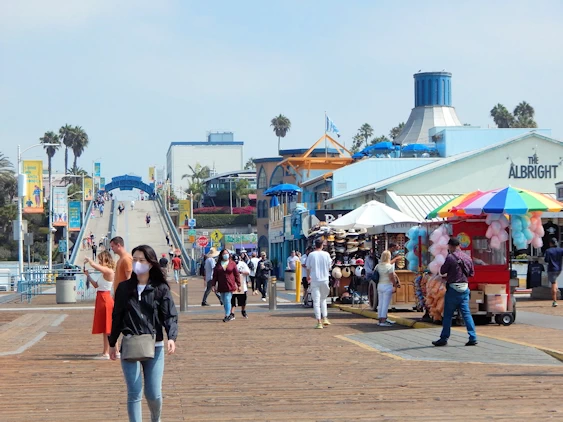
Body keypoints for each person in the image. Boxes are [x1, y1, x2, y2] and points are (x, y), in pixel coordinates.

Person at [109, 244, 178, 422]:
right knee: (134, 391)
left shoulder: (160, 288)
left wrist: (171, 337)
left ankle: (156, 418)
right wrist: (112, 342)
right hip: (130, 343)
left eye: (142, 260)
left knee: (153, 393)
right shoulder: (124, 288)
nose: (137, 263)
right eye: (135, 260)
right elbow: (117, 316)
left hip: (155, 344)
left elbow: (169, 314)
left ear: (151, 263)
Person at [432, 238, 477, 347]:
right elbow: (471, 273)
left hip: (452, 289)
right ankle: (473, 336)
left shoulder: (450, 258)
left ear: (451, 246)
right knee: (466, 314)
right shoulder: (467, 257)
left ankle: (444, 338)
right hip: (465, 288)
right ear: (459, 245)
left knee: (448, 315)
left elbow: (442, 271)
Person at [84, 251, 115, 359]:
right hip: (101, 298)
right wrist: (88, 276)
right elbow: (96, 285)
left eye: (101, 260)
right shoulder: (104, 273)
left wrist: (89, 260)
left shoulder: (109, 271)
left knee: (107, 327)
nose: (99, 262)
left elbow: (94, 266)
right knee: (106, 327)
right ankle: (113, 351)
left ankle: (106, 352)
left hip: (105, 299)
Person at [306, 238, 332, 329]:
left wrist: (308, 276)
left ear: (314, 245)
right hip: (325, 279)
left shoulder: (311, 255)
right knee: (323, 299)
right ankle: (325, 318)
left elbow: (308, 267)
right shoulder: (326, 254)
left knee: (316, 301)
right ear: (322, 245)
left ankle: (319, 321)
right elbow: (329, 267)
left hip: (314, 279)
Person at [212, 249, 241, 322]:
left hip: (230, 284)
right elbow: (215, 276)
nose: (226, 255)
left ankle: (227, 315)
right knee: (224, 300)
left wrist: (239, 284)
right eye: (224, 254)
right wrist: (213, 285)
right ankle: (227, 313)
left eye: (227, 253)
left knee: (228, 299)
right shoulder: (218, 264)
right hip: (221, 285)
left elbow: (236, 274)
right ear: (221, 255)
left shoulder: (232, 263)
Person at [374, 251, 397, 327]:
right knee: (385, 304)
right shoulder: (390, 266)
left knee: (380, 303)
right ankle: (383, 321)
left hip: (380, 285)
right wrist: (395, 285)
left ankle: (380, 319)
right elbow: (391, 277)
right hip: (387, 285)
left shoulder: (378, 266)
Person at [544, 238, 563, 307]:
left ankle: (554, 301)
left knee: (553, 283)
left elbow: (546, 260)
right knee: (555, 281)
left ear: (550, 243)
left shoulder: (548, 251)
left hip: (551, 269)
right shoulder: (561, 250)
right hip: (559, 269)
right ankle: (557, 290)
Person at [231, 254, 250, 319]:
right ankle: (232, 313)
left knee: (243, 301)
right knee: (232, 300)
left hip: (242, 285)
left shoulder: (243, 264)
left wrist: (241, 272)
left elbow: (248, 272)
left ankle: (243, 311)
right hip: (233, 285)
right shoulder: (230, 264)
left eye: (237, 261)